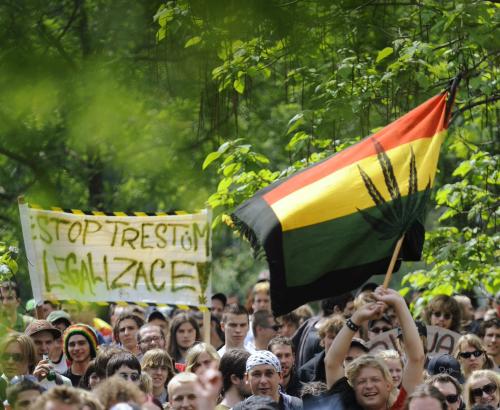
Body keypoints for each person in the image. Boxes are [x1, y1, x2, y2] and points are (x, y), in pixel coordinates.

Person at [325, 286, 425, 410]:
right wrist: (357, 318)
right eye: (361, 381)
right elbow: (331, 363)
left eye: (375, 379)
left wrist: (399, 304)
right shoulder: (344, 407)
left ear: (388, 386)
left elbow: (416, 359)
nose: (369, 386)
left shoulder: (401, 408)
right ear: (354, 388)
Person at [298, 314, 347, 384]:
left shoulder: (353, 365)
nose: (336, 341)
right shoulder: (305, 372)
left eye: (339, 337)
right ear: (323, 340)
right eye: (331, 337)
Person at [24, 320, 72, 388]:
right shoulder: (13, 377)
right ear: (27, 344)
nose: (44, 348)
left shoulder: (64, 382)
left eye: (48, 342)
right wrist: (33, 381)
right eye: (37, 342)